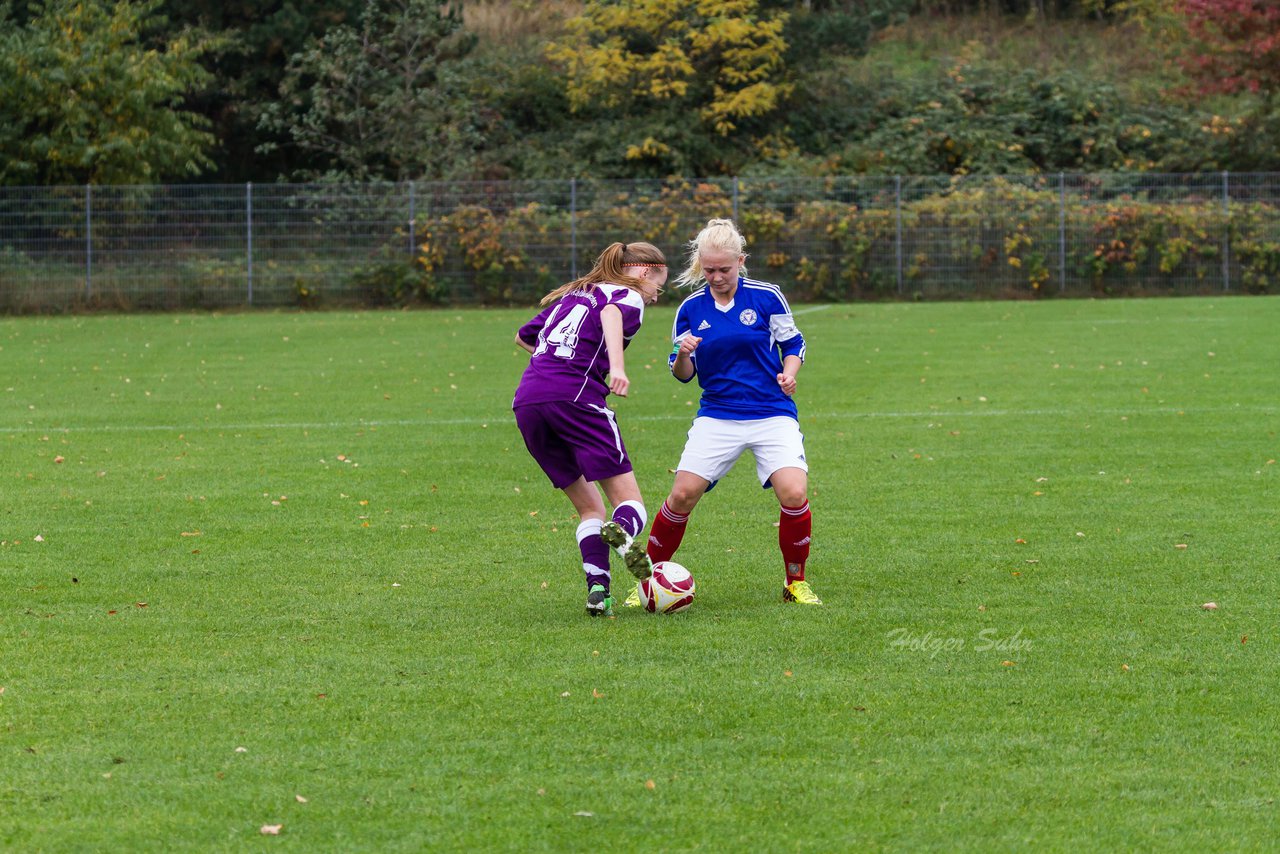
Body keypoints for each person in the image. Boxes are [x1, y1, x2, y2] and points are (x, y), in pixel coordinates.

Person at [630, 218, 822, 606]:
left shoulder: (768, 297)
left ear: (741, 261)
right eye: (709, 269)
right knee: (682, 495)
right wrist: (683, 353)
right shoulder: (690, 308)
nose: (716, 277)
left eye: (724, 269)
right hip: (717, 415)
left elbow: (794, 342)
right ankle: (649, 582)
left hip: (771, 413)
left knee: (794, 491)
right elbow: (683, 375)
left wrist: (788, 373)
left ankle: (796, 583)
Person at [513, 241, 667, 617]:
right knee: (630, 504)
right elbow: (613, 313)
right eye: (658, 289)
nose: (654, 299)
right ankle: (622, 535)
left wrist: (553, 366)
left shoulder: (575, 294)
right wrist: (616, 367)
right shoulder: (626, 295)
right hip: (577, 400)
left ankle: (599, 591)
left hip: (528, 402)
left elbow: (523, 337)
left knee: (588, 508)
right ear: (644, 272)